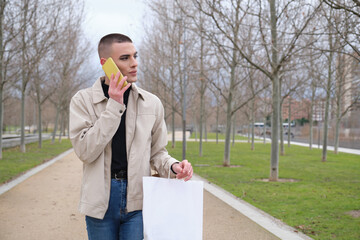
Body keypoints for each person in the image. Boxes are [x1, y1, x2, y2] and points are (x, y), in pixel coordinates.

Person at [69, 33, 193, 240]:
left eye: (135, 56)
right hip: (100, 201)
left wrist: (174, 166)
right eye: (125, 58)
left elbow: (158, 153)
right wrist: (114, 105)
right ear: (105, 63)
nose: (134, 63)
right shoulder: (82, 101)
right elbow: (85, 151)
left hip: (139, 199)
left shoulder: (151, 103)